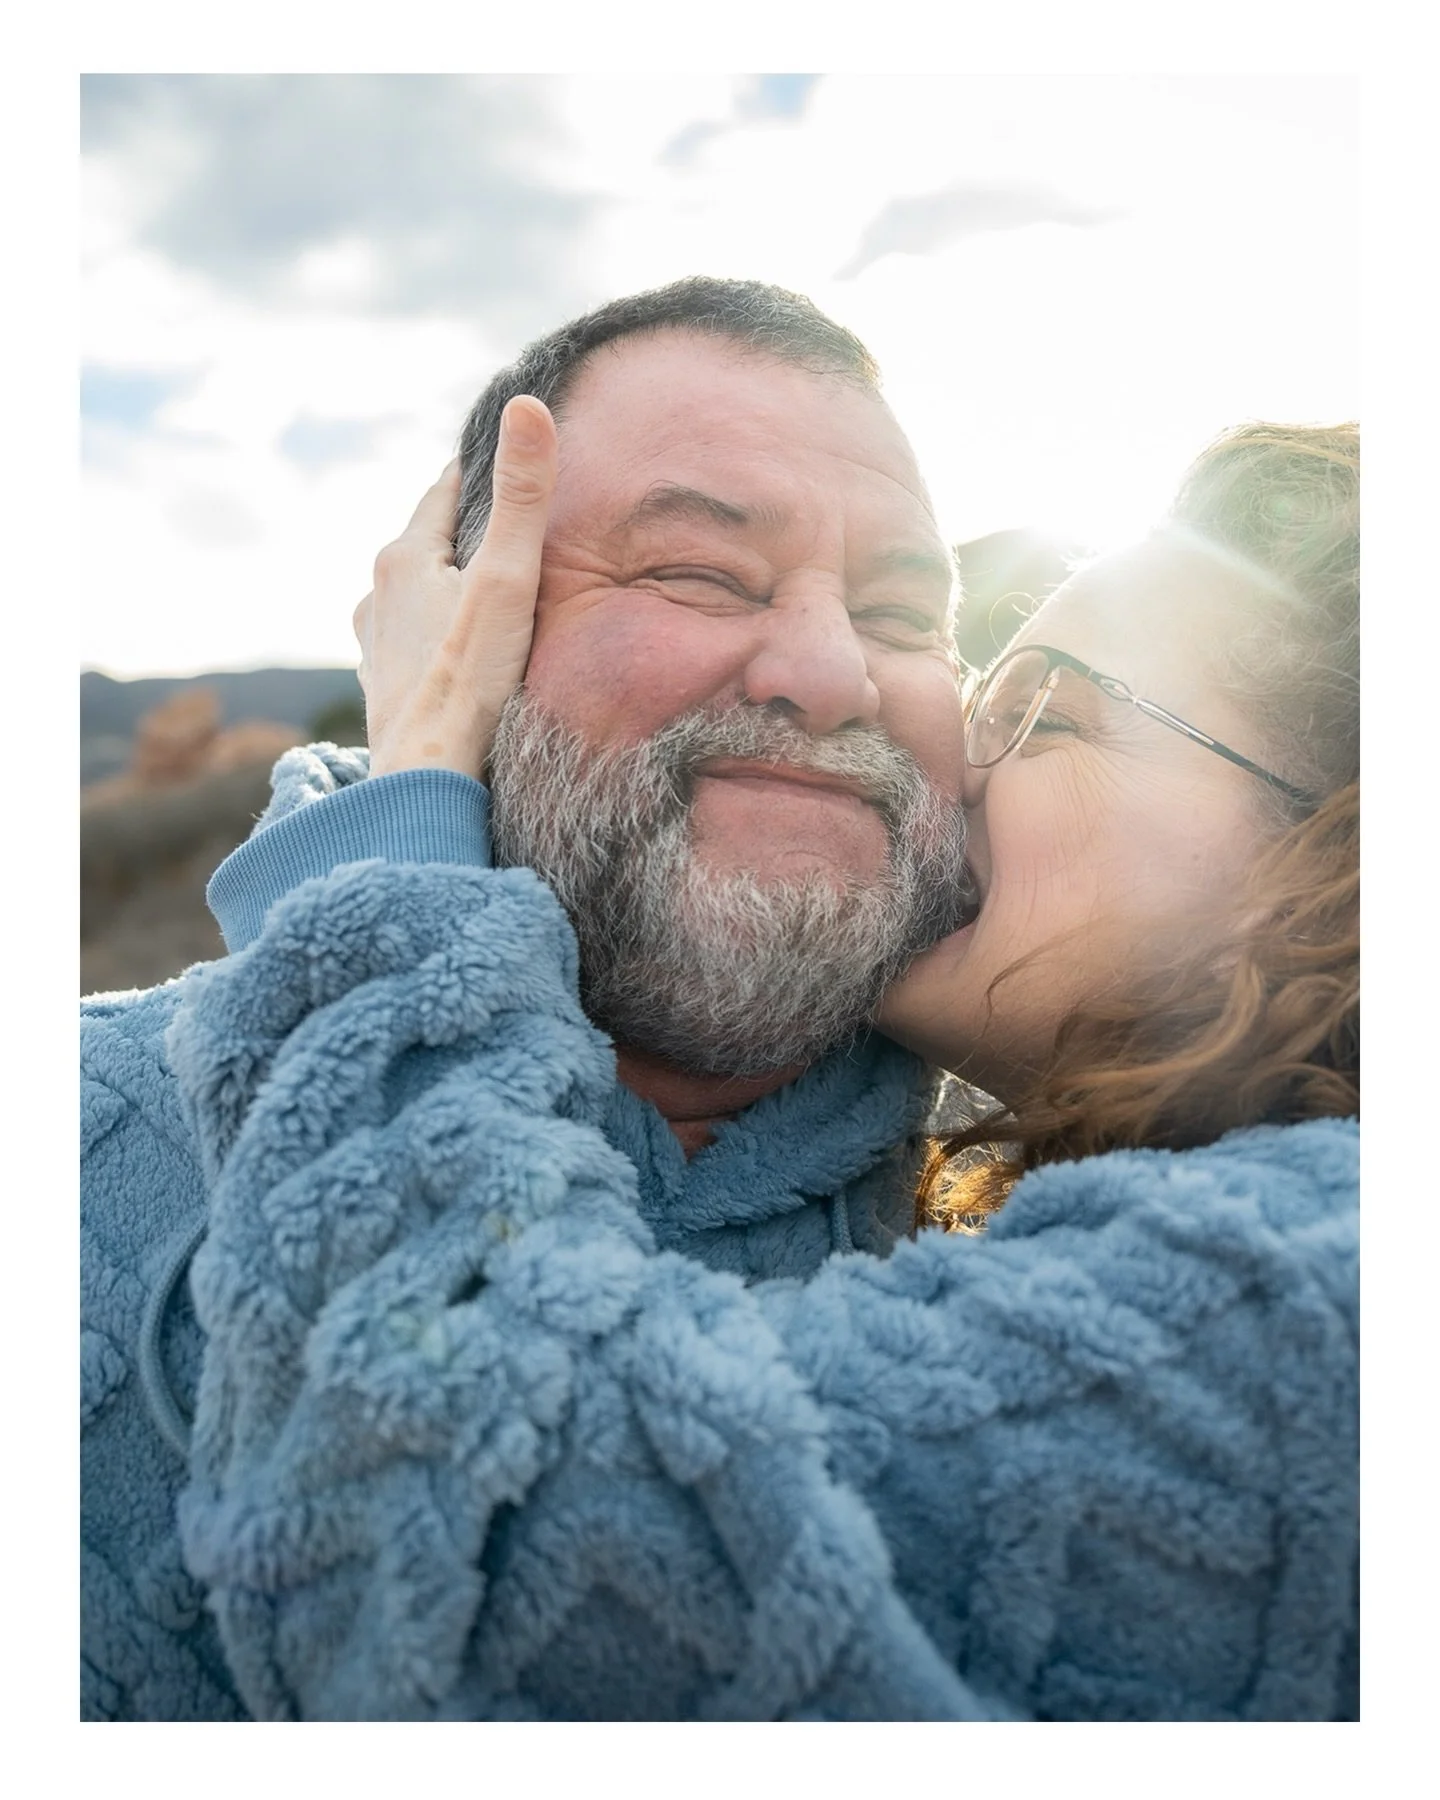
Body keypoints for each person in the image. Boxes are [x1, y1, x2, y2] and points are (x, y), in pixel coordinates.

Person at [82, 281, 1358, 1719]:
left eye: (908, 618)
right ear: (460, 640)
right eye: (698, 573)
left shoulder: (1312, 1284)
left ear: (1338, 862)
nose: (836, 675)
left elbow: (518, 1565)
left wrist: (386, 851)